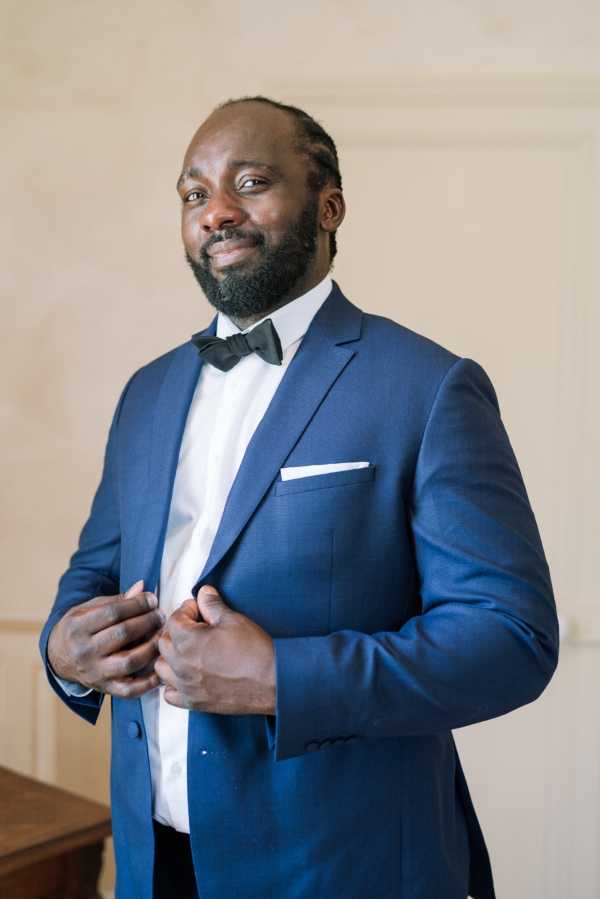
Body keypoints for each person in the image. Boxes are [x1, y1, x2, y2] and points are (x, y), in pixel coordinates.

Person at [40, 96, 559, 899]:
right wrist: (65, 654)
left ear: (329, 206)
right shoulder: (147, 393)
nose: (216, 211)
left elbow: (510, 638)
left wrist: (283, 676)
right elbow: (92, 576)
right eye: (194, 192)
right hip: (155, 866)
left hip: (343, 869)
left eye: (250, 183)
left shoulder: (426, 387)